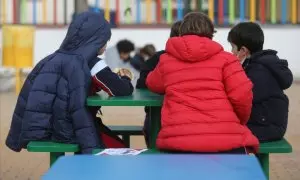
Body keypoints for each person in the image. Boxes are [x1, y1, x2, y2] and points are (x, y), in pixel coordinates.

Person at [6, 12, 133, 154]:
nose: (105, 45)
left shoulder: (50, 59)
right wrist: (126, 78)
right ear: (95, 40)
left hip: (48, 129)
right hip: (73, 129)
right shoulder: (91, 62)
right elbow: (121, 89)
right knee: (121, 149)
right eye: (104, 40)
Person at [146, 12, 259, 153]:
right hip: (223, 139)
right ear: (211, 33)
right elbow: (242, 94)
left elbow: (152, 83)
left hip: (179, 140)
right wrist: (238, 121)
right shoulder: (227, 59)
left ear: (182, 31)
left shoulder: (166, 60)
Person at [227, 22, 293, 142]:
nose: (232, 51)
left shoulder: (259, 71)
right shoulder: (256, 64)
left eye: (233, 47)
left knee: (225, 132)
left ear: (243, 51)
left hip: (267, 127)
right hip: (265, 122)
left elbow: (243, 99)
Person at [136, 21, 182, 147]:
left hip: (159, 115)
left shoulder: (160, 58)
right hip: (188, 118)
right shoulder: (205, 60)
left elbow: (142, 83)